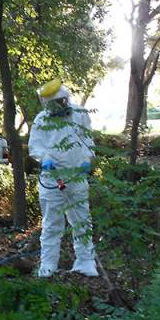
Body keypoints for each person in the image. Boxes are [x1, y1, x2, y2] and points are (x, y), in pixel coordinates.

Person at [28, 79, 98, 277]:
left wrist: (86, 158)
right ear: (47, 104)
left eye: (63, 100)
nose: (61, 105)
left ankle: (86, 261)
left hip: (76, 177)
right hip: (52, 180)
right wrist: (45, 159)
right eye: (57, 102)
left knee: (82, 221)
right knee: (52, 223)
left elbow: (87, 139)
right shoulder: (41, 120)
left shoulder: (80, 114)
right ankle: (48, 265)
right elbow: (35, 147)